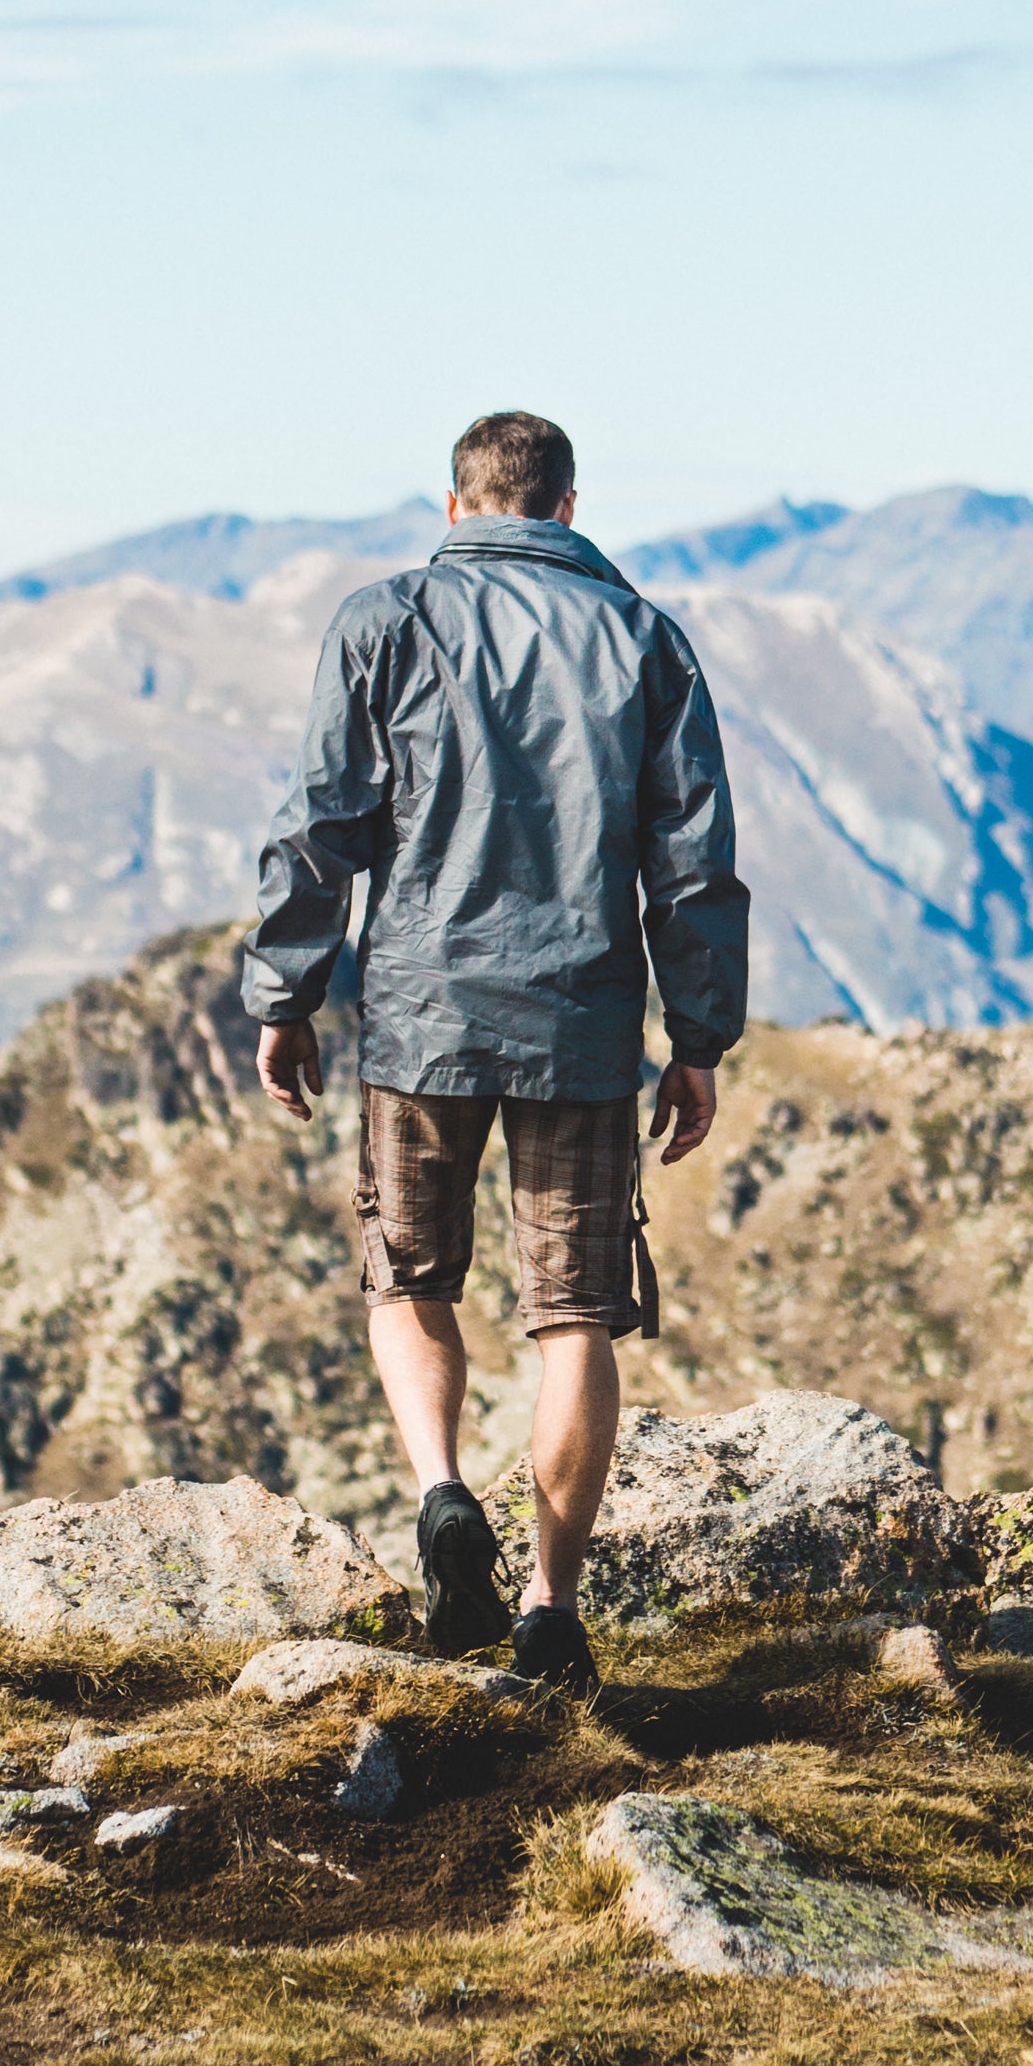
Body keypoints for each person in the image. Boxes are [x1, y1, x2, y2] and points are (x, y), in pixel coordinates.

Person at [244, 408, 750, 1692]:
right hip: (581, 1022)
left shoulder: (384, 622)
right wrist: (697, 1039)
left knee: (409, 1273)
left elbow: (324, 823)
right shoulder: (646, 639)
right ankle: (547, 1604)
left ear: (456, 505)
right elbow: (691, 866)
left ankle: (440, 1490)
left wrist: (286, 991)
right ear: (569, 508)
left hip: (420, 1016)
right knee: (575, 1313)